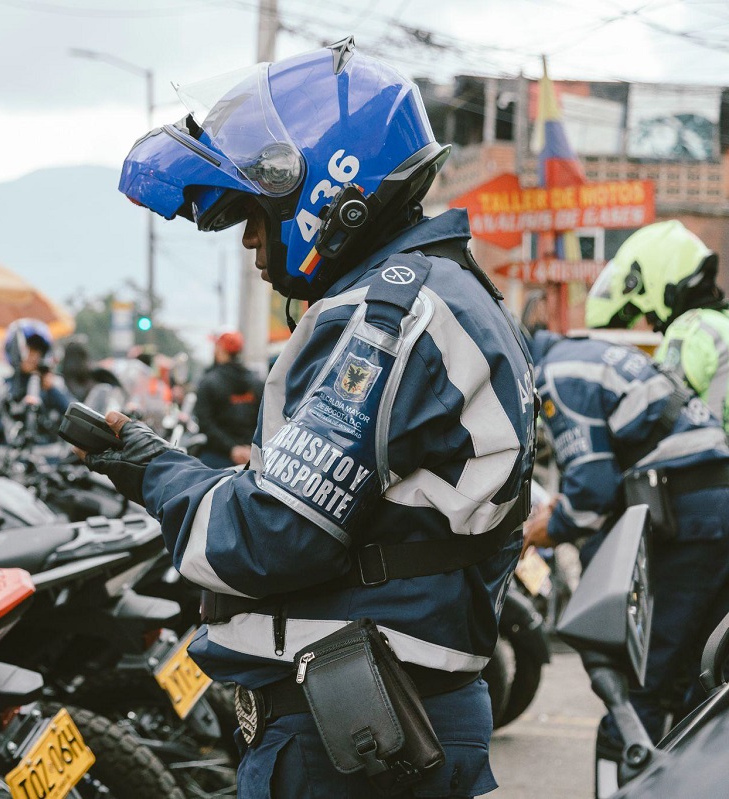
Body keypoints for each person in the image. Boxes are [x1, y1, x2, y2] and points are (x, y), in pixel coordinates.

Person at [83, 40, 535, 798]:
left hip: (350, 737)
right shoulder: (454, 291)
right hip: (404, 714)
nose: (254, 243)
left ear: (329, 188)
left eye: (256, 217)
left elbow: (271, 533)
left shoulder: (384, 313)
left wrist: (150, 465)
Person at [520, 324, 729, 772]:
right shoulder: (594, 353)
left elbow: (590, 493)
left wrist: (538, 531)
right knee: (707, 679)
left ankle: (625, 776)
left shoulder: (556, 374)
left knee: (639, 689)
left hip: (685, 520)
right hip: (712, 509)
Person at [586, 220, 729, 431]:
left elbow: (656, 412)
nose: (651, 324)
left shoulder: (690, 332)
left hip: (713, 459)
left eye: (648, 315)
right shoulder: (720, 323)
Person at [194, 329, 264, 469]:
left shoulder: (208, 382)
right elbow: (265, 420)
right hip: (252, 457)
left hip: (217, 457)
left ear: (220, 349)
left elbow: (205, 423)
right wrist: (249, 449)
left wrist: (232, 449)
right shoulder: (258, 382)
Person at [3, 318, 71, 432]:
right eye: (29, 348)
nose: (34, 356)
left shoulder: (50, 384)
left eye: (38, 350)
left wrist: (53, 389)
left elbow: (73, 415)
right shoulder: (3, 387)